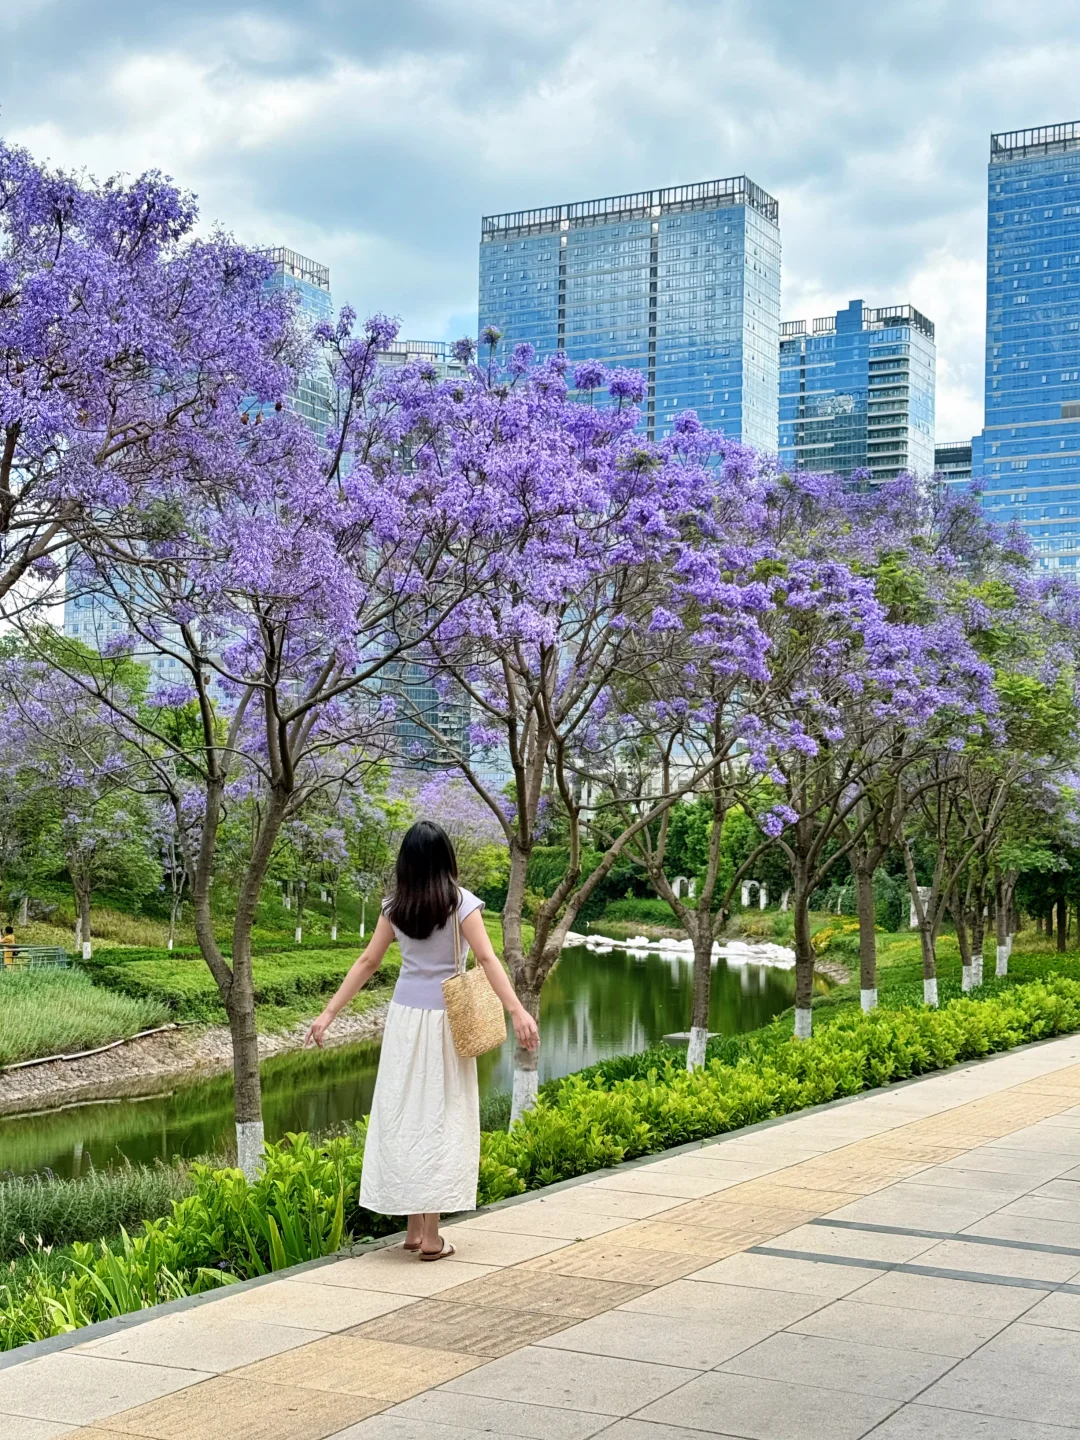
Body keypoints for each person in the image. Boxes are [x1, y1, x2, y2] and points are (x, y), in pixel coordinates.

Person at [305, 820, 540, 1260]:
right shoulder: (462, 904)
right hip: (448, 1023)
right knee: (441, 1115)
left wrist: (328, 1013)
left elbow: (368, 961)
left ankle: (414, 1230)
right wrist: (517, 1010)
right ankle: (431, 1239)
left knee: (407, 1114)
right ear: (447, 858)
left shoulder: (395, 906)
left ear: (406, 863)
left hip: (404, 1022)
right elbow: (487, 959)